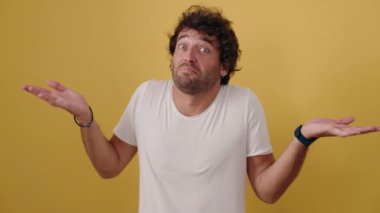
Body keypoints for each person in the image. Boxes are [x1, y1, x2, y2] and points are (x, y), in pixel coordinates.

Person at [22, 5, 379, 213]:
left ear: (224, 66)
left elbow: (267, 191)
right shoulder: (147, 96)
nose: (188, 56)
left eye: (203, 48)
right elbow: (109, 165)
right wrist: (85, 118)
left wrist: (303, 138)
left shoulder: (243, 103)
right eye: (182, 46)